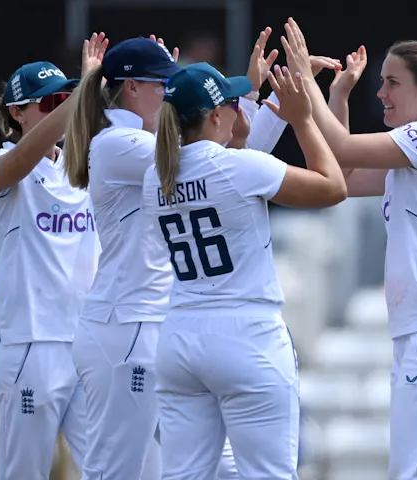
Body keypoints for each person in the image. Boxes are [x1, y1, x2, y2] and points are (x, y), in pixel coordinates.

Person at [278, 18, 417, 479]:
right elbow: (336, 174)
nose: (380, 93)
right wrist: (336, 97)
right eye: (381, 82)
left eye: (392, 83)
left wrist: (305, 86)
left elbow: (338, 146)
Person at [144, 61, 346, 478]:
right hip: (246, 334)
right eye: (234, 103)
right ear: (216, 115)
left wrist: (266, 100)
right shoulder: (238, 167)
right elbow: (333, 187)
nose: (241, 109)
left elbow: (225, 162)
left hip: (180, 334)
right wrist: (303, 119)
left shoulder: (156, 175)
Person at [0, 33, 108, 479]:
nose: (62, 109)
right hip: (28, 347)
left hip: (86, 345)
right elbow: (28, 153)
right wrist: (85, 90)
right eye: (50, 102)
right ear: (17, 113)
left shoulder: (86, 165)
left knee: (114, 467)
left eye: (66, 99)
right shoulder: (1, 164)